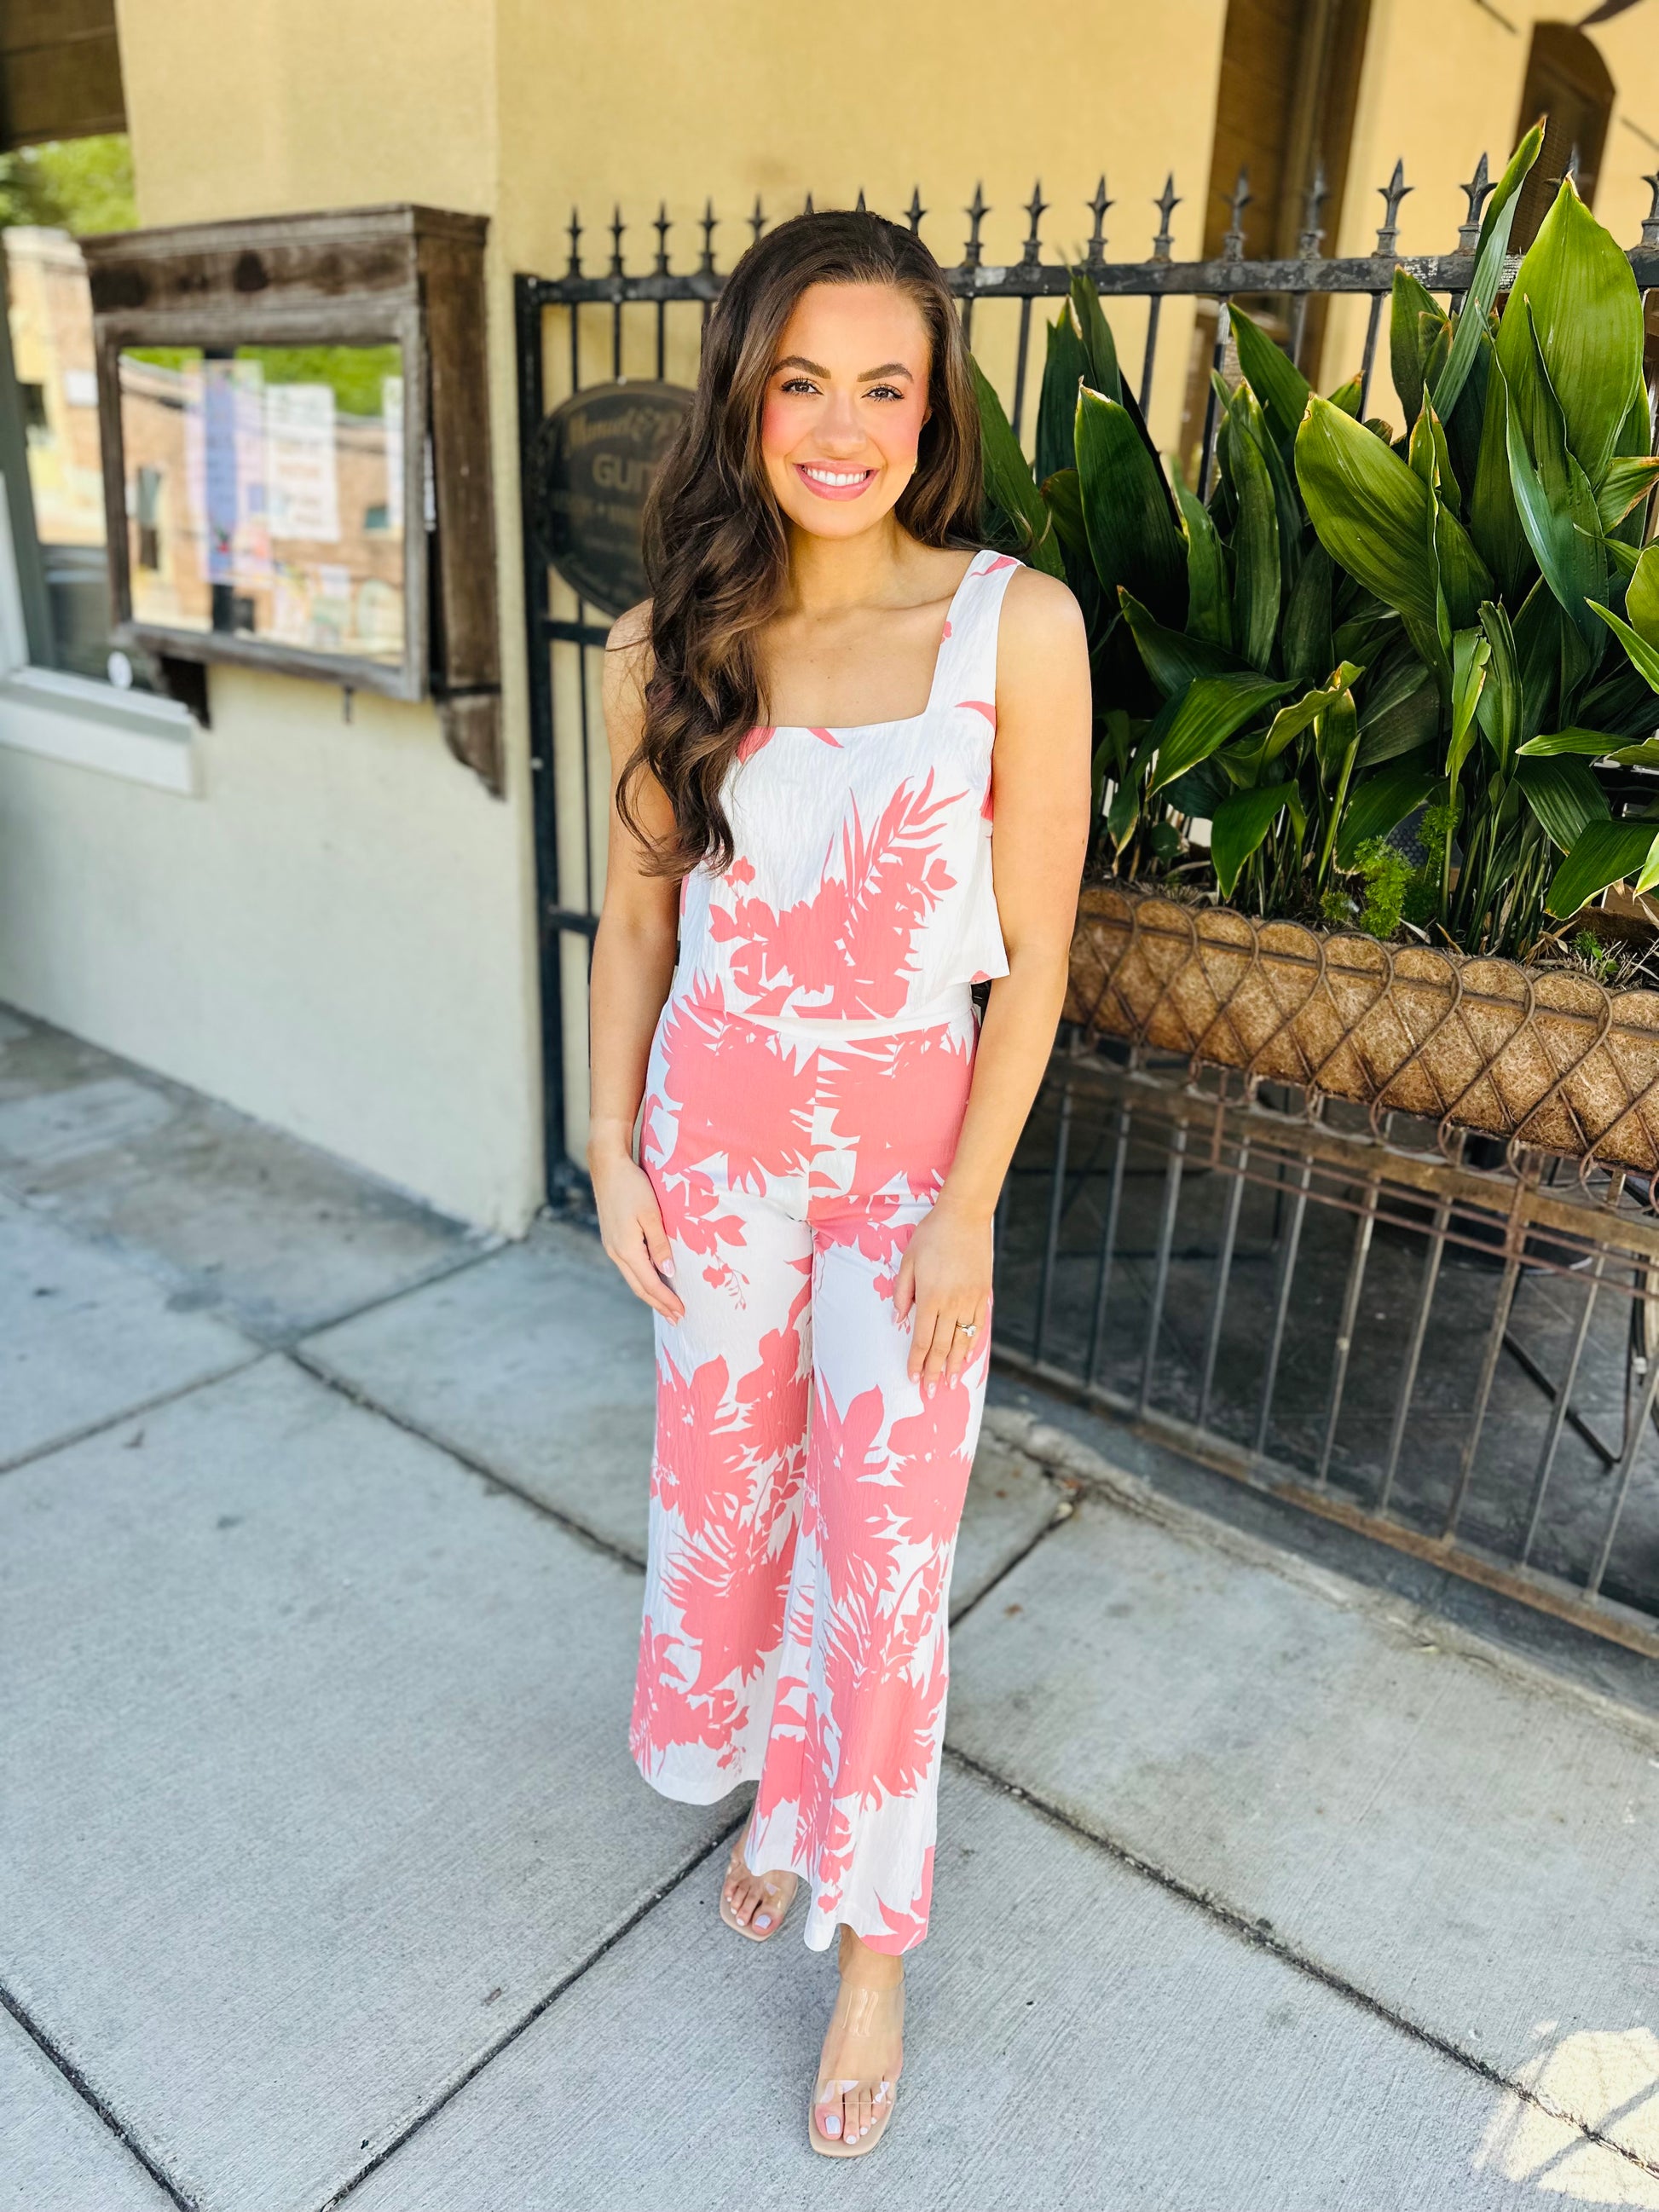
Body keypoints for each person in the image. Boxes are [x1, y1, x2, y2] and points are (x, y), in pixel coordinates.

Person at [588, 207, 1090, 2158]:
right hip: (713, 1148)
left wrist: (969, 1205)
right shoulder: (667, 639)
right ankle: (782, 1798)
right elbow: (644, 919)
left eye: (885, 386)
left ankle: (873, 1941)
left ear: (932, 409)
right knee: (735, 1512)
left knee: (885, 1561)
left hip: (905, 1166)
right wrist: (607, 1143)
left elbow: (1030, 956)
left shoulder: (1010, 627)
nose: (842, 426)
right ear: (743, 395)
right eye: (802, 381)